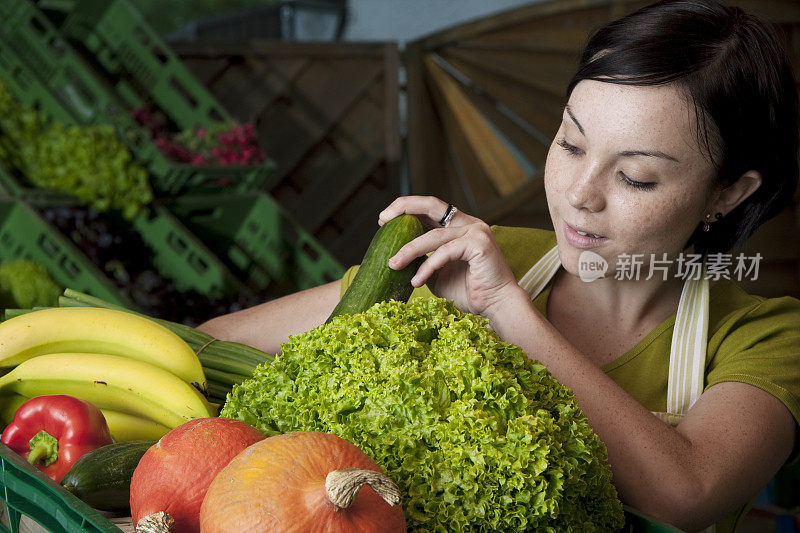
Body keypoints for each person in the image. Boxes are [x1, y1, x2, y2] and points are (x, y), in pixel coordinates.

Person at [198, 0, 800, 530]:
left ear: (728, 193)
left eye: (635, 177)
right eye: (570, 143)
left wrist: (508, 311)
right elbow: (211, 344)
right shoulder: (475, 258)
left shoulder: (768, 338)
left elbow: (685, 493)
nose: (579, 193)